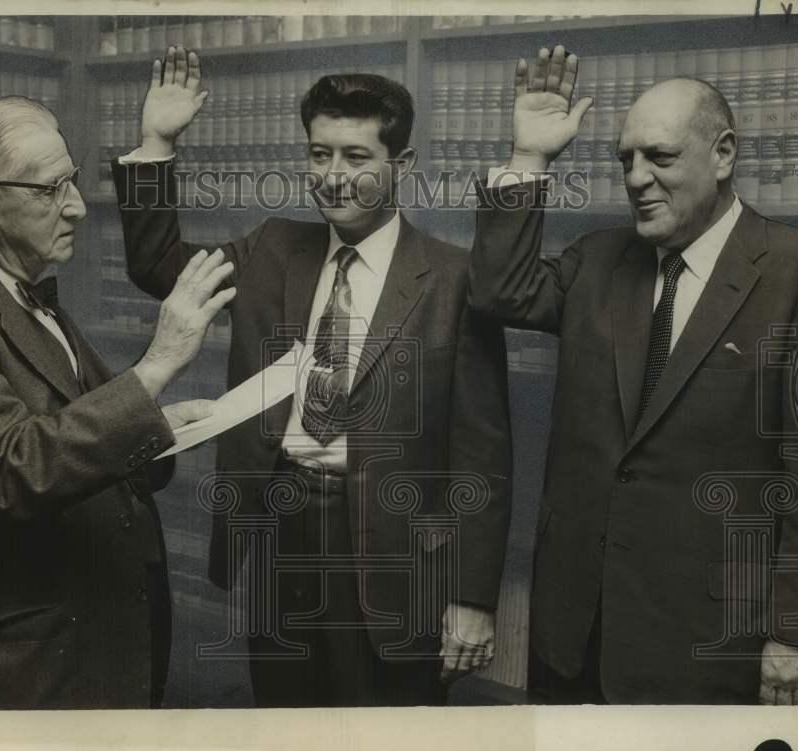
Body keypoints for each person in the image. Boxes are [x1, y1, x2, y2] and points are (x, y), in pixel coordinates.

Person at [112, 47, 513, 706]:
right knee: (284, 732)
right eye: (319, 154)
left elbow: (485, 457)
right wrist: (157, 141)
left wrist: (472, 598)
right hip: (278, 529)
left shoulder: (453, 279)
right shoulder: (273, 248)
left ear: (401, 166)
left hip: (394, 554)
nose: (332, 175)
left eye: (356, 157)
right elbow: (160, 265)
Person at [470, 46, 798, 704]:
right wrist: (529, 159)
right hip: (573, 631)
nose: (636, 178)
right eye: (625, 159)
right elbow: (498, 294)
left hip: (712, 641)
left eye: (659, 157)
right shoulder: (598, 259)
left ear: (722, 155)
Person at [0, 96, 235, 709]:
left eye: (71, 181)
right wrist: (155, 368)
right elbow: (4, 473)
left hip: (83, 646)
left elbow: (65, 430)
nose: (78, 207)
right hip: (14, 673)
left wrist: (154, 426)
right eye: (50, 190)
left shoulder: (18, 288)